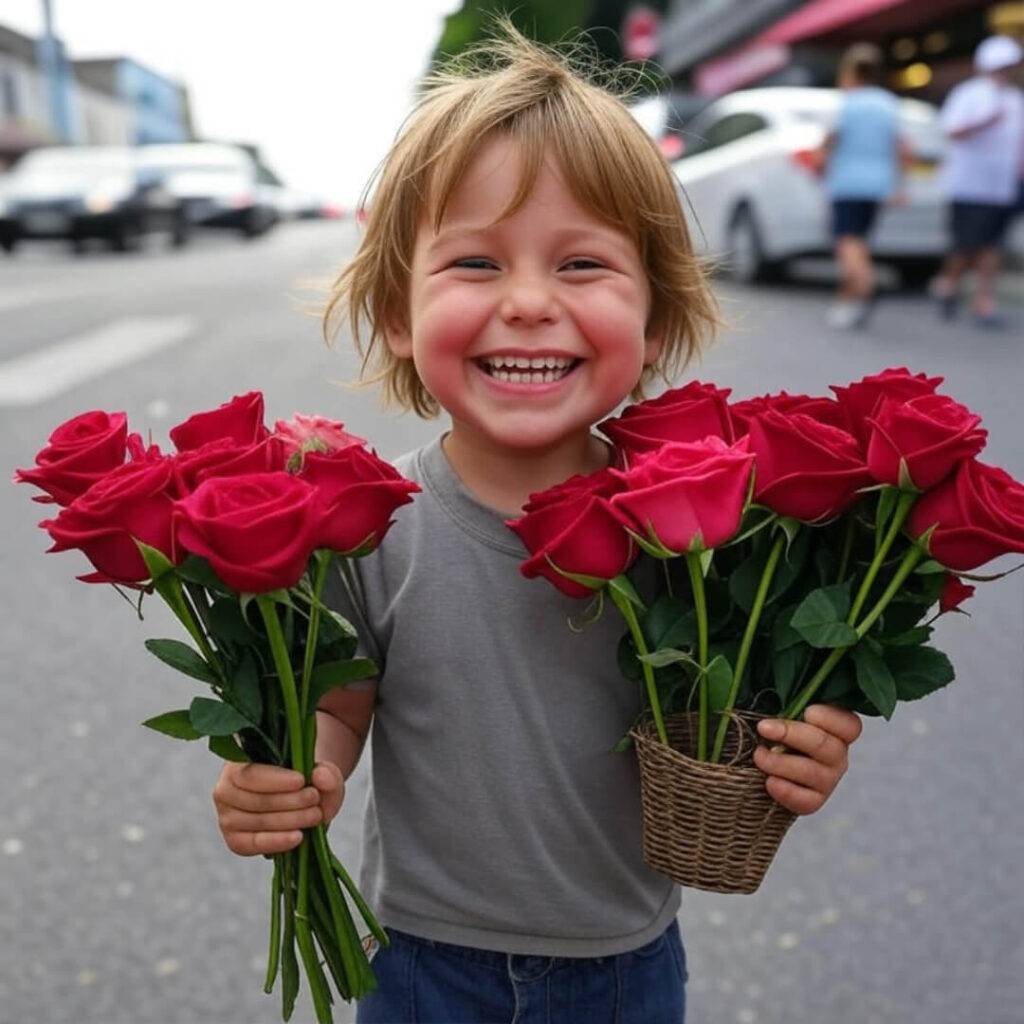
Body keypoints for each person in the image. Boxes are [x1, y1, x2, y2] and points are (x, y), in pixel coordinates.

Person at [211, 25, 863, 1023]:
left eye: (582, 265)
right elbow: (342, 703)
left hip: (626, 961)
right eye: (473, 262)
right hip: (422, 960)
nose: (526, 303)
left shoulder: (701, 533)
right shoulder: (367, 525)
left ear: (650, 319)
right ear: (397, 312)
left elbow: (741, 710)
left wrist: (799, 747)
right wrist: (298, 773)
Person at [931, 34, 1024, 328]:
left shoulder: (1016, 98)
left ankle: (984, 301)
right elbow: (951, 130)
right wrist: (984, 123)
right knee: (965, 244)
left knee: (993, 245)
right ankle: (947, 284)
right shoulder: (968, 94)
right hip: (969, 183)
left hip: (1002, 185)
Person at [821, 43, 905, 330]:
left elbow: (828, 142)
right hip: (879, 184)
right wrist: (899, 185)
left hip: (847, 182)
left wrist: (819, 159)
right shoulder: (888, 103)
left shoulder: (848, 104)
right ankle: (849, 299)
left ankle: (865, 287)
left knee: (848, 242)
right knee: (859, 241)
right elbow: (902, 147)